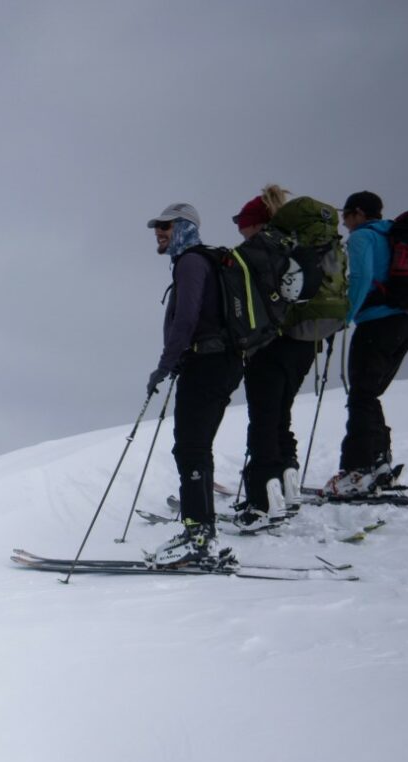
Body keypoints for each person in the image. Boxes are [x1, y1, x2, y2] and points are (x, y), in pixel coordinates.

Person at [234, 186, 350, 520]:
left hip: (274, 341)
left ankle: (262, 501)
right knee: (280, 414)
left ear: (257, 222)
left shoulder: (265, 248)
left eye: (243, 223)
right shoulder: (307, 244)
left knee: (264, 419)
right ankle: (288, 486)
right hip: (308, 340)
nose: (241, 230)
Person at [146, 202, 242, 563]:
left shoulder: (190, 262)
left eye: (166, 226)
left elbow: (186, 318)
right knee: (196, 447)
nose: (159, 232)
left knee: (190, 448)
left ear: (185, 227)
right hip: (220, 362)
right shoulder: (204, 261)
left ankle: (197, 536)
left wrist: (166, 363)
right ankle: (202, 532)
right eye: (158, 226)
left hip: (207, 363)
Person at [326, 190, 408, 496]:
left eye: (346, 215)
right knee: (369, 395)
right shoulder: (393, 235)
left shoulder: (362, 237)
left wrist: (344, 316)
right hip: (404, 324)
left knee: (361, 396)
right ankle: (380, 467)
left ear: (360, 213)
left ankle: (358, 471)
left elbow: (361, 278)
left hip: (376, 324)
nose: (344, 222)